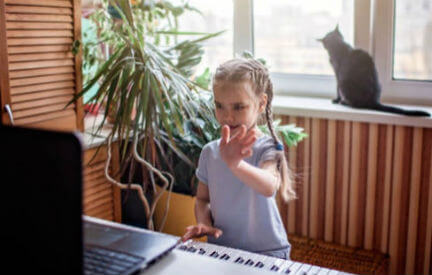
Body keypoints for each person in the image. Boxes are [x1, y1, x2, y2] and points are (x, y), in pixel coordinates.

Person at [182, 58, 296, 260]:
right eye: (220, 105)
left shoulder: (268, 147)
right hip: (223, 251)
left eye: (238, 107)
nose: (227, 117)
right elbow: (202, 200)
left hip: (267, 253)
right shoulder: (209, 152)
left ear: (261, 103)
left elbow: (269, 186)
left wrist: (236, 164)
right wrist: (204, 222)